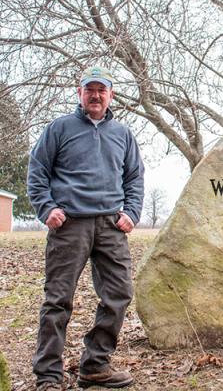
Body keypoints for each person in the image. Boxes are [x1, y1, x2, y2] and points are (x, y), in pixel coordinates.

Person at [27, 66, 144, 391]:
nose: (95, 95)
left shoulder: (122, 133)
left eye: (101, 90)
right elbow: (37, 170)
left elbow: (134, 177)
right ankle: (49, 375)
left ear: (110, 95)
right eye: (89, 90)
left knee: (119, 294)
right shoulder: (59, 128)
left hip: (110, 226)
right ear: (79, 93)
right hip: (70, 225)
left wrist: (131, 213)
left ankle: (95, 366)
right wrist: (47, 208)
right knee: (57, 300)